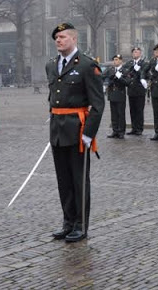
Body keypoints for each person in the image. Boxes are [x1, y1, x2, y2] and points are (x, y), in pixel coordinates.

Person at [45, 23, 104, 243]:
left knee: (79, 180)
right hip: (58, 129)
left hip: (78, 131)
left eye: (62, 37)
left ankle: (80, 225)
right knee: (63, 180)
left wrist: (89, 134)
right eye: (56, 38)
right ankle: (68, 222)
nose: (58, 40)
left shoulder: (88, 65)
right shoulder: (51, 65)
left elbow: (98, 104)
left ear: (73, 39)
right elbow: (53, 95)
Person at [124, 47, 146, 135]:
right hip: (131, 90)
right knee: (132, 110)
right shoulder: (129, 63)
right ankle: (134, 128)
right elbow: (125, 72)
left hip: (139, 90)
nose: (135, 53)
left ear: (140, 53)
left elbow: (146, 74)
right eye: (134, 52)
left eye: (137, 52)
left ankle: (139, 129)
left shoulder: (143, 63)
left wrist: (139, 70)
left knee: (139, 110)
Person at [106, 54, 128, 139]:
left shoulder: (124, 70)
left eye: (117, 59)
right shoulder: (111, 70)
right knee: (114, 114)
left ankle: (121, 131)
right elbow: (104, 77)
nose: (115, 61)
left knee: (120, 114)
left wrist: (120, 77)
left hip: (120, 94)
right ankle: (115, 131)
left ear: (121, 61)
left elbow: (127, 82)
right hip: (112, 94)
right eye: (114, 59)